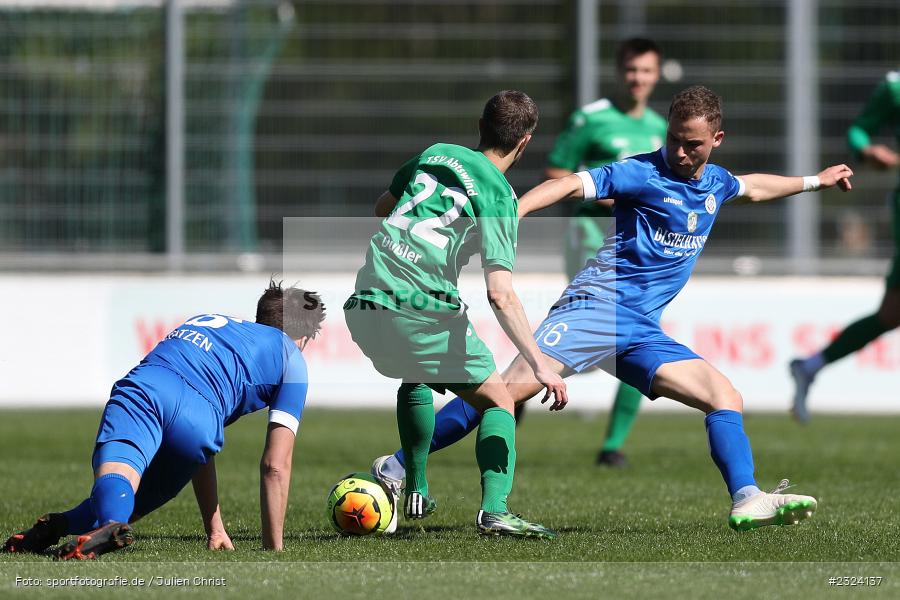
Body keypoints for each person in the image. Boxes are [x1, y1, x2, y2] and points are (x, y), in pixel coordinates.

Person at [372, 85, 853, 530]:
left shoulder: (715, 184)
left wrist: (816, 181)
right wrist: (512, 212)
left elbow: (755, 187)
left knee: (724, 395)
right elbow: (568, 184)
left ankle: (747, 497)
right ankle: (395, 466)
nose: (680, 151)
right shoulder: (640, 172)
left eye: (692, 145)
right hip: (595, 309)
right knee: (504, 393)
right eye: (674, 139)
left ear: (717, 140)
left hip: (639, 330)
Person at [344, 90, 566, 539]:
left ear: (480, 126)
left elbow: (383, 208)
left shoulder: (437, 153)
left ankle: (413, 483)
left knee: (415, 373)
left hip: (365, 301)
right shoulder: (500, 197)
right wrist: (540, 365)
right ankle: (495, 510)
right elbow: (500, 294)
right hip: (421, 307)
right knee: (499, 402)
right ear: (524, 142)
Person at [2, 281, 325, 559]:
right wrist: (273, 550)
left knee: (120, 474)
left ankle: (99, 524)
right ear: (304, 337)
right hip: (200, 423)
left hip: (146, 386)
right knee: (143, 497)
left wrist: (215, 527)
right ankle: (70, 525)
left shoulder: (208, 322)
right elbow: (275, 466)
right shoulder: (291, 358)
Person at [522, 37, 667, 467]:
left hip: (638, 248)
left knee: (634, 333)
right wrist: (607, 196)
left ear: (657, 75)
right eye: (631, 69)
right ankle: (520, 383)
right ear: (619, 71)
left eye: (646, 70)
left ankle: (612, 445)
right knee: (609, 331)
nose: (638, 78)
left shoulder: (661, 127)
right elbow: (556, 170)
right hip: (589, 238)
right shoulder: (591, 118)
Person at [790, 69, 900, 423]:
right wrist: (867, 150)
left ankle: (810, 365)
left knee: (892, 313)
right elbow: (858, 130)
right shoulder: (895, 87)